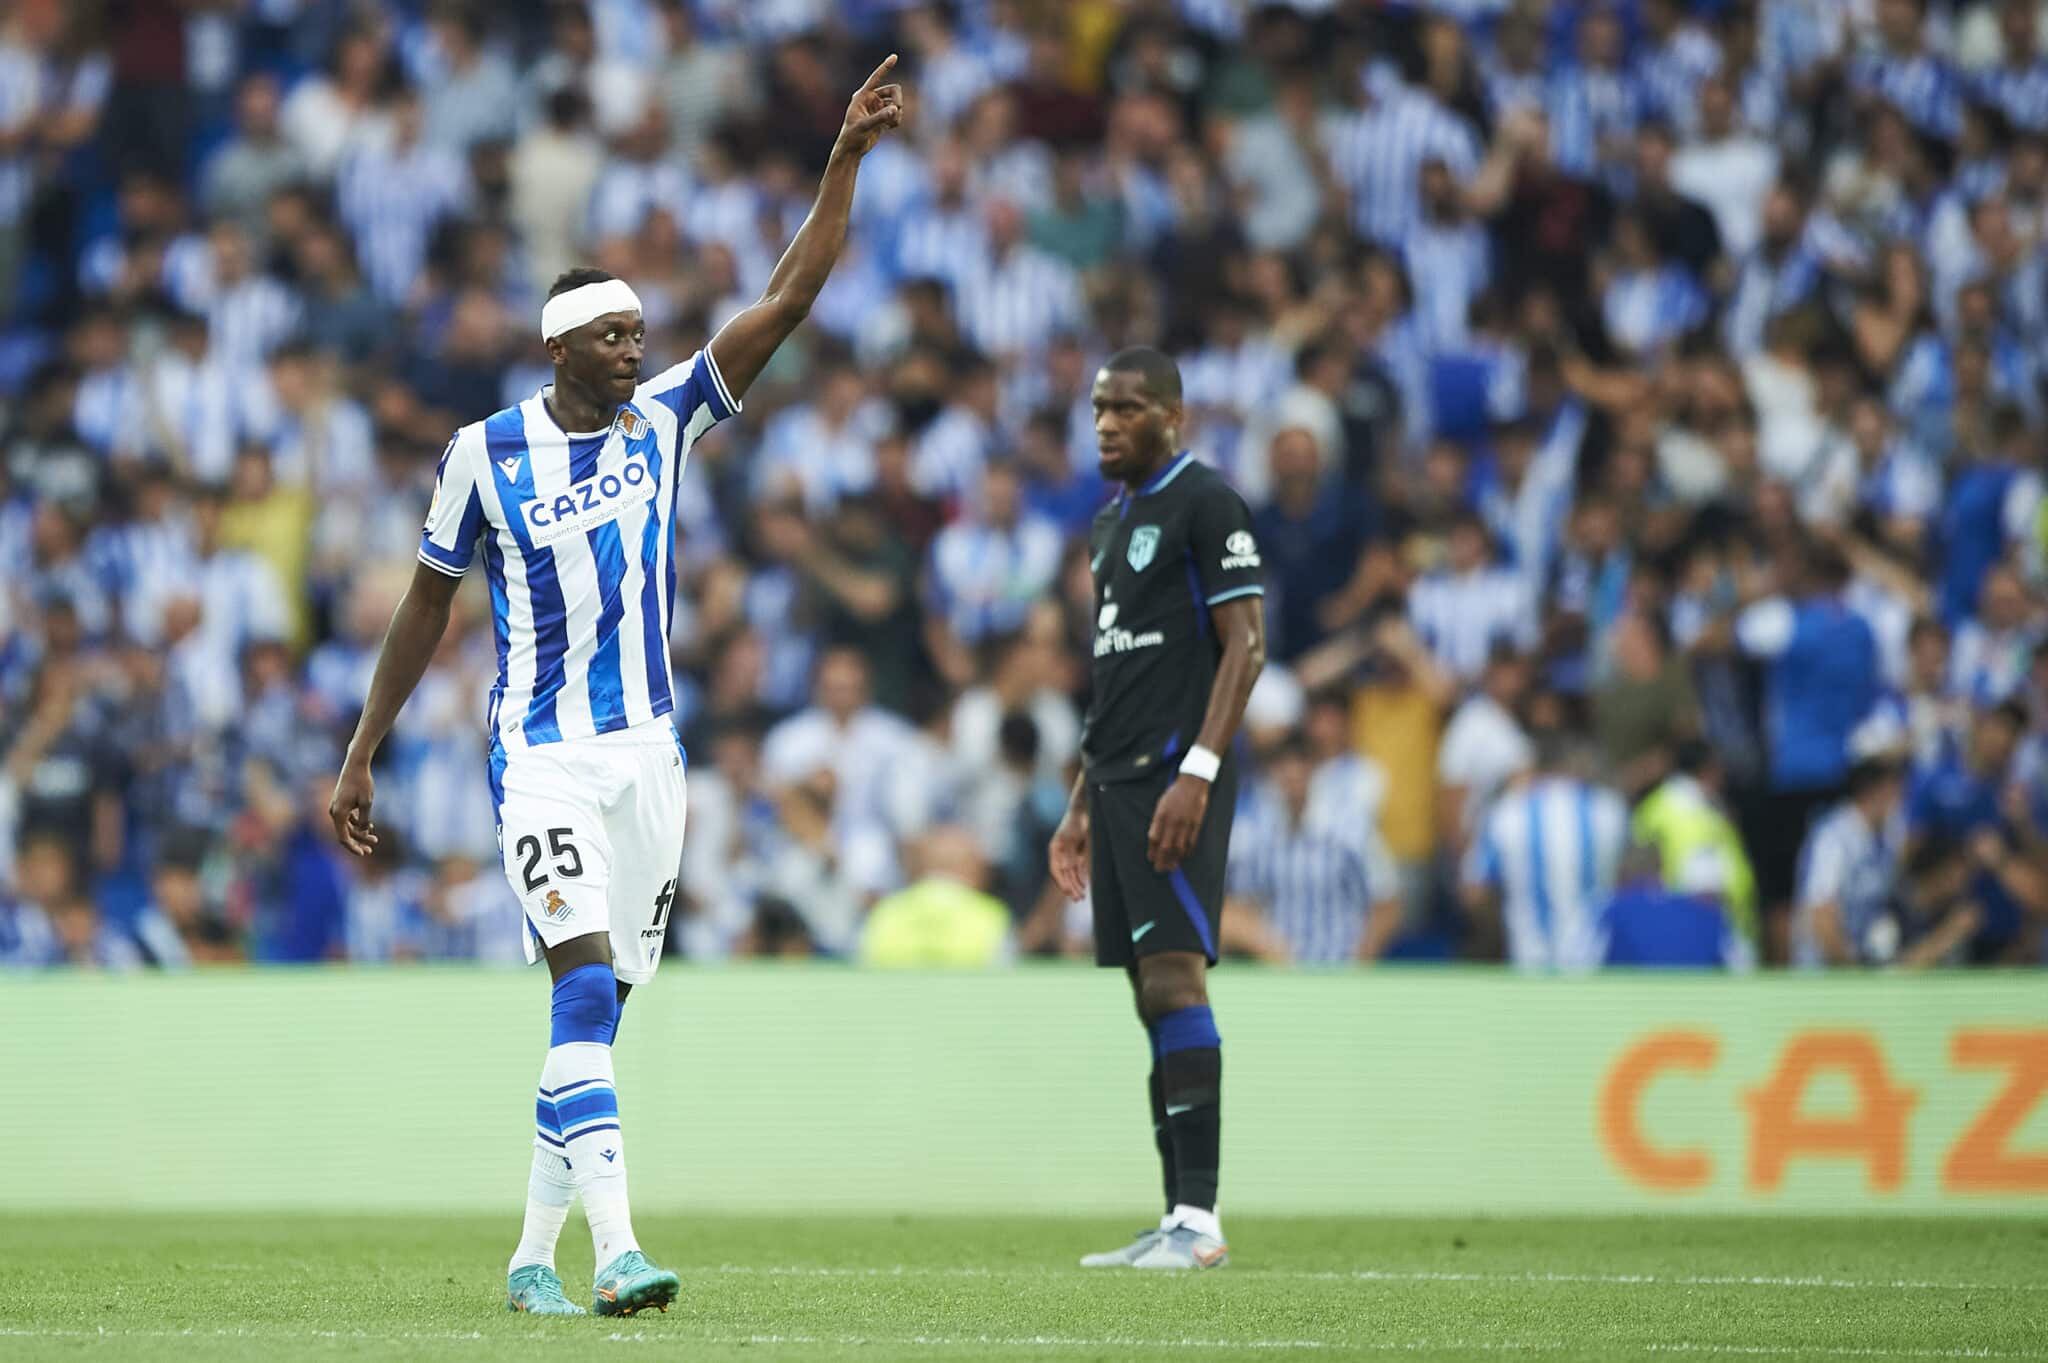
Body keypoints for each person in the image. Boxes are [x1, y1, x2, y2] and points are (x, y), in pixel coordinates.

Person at [326, 59, 906, 1317]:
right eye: (612, 334)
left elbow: (789, 297)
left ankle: (531, 1262)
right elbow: (426, 602)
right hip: (539, 756)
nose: (636, 346)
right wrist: (364, 746)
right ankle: (618, 1253)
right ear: (559, 346)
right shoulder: (481, 457)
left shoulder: (664, 420)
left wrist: (843, 161)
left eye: (640, 331)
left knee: (593, 1020)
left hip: (650, 756)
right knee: (580, 989)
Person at [1047, 347, 1266, 1271]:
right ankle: (1177, 1217)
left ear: (1172, 415)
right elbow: (1114, 677)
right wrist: (1079, 802)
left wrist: (1200, 771)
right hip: (1122, 780)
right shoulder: (1110, 524)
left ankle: (1202, 1220)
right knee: (1149, 993)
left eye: (1126, 409)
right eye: (1099, 408)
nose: (1105, 424)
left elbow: (1245, 645)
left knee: (1177, 979)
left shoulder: (1205, 502)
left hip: (1179, 777)